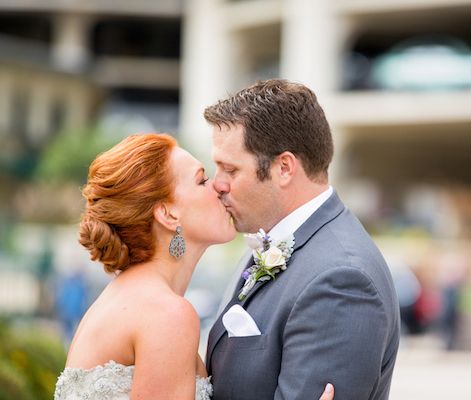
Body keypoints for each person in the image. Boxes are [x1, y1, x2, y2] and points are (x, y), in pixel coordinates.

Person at [54, 133, 335, 400]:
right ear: (167, 213)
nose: (219, 187)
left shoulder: (125, 298)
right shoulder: (166, 313)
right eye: (202, 181)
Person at [205, 79, 400, 399]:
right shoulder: (274, 240)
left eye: (231, 170)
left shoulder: (341, 280)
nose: (218, 185)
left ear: (284, 168)